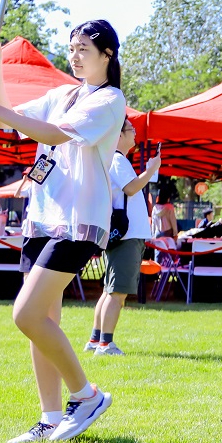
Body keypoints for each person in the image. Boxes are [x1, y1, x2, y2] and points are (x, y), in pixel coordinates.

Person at [0, 23, 126, 443]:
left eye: (84, 49)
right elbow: (14, 120)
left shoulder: (110, 101)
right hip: (42, 219)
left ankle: (86, 395)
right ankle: (50, 417)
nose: (74, 56)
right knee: (44, 319)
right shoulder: (62, 94)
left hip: (79, 222)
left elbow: (52, 134)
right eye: (71, 49)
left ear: (107, 55)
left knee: (26, 314)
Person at [87, 121, 161, 356]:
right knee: (117, 292)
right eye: (131, 130)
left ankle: (96, 339)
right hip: (127, 236)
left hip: (122, 235)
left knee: (110, 291)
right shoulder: (117, 160)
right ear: (118, 135)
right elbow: (131, 188)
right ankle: (105, 344)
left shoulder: (113, 159)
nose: (135, 133)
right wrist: (151, 169)